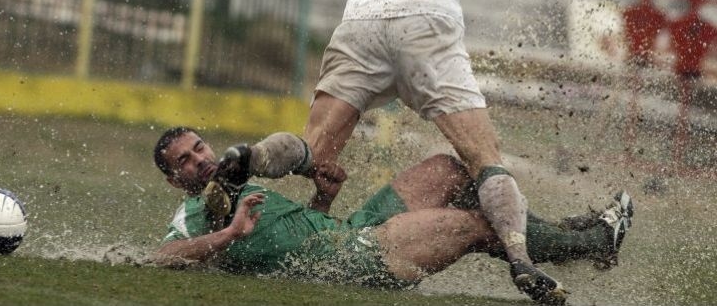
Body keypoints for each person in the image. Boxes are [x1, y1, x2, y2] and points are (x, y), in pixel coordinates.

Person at [213, 0, 564, 303]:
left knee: (314, 151)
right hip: (421, 23)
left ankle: (248, 158)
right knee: (483, 159)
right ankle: (523, 263)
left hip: (362, 22)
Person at [153, 126, 633, 302]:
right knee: (478, 227)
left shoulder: (241, 181)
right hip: (352, 260)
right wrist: (231, 234)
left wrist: (322, 199)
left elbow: (289, 240)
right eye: (185, 162)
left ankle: (558, 233)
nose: (199, 160)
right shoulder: (195, 212)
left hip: (347, 231)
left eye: (199, 148)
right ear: (175, 180)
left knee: (451, 169)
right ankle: (588, 243)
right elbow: (162, 257)